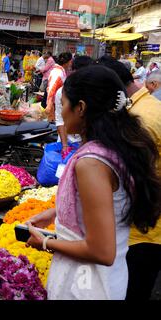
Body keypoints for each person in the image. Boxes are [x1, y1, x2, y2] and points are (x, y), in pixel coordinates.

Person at [27, 65, 161, 300]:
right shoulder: (119, 147)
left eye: (64, 104)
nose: (62, 112)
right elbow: (109, 205)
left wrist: (47, 242)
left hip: (87, 286)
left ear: (80, 108)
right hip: (101, 281)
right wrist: (55, 212)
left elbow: (102, 251)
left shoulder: (91, 163)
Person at [98, 57, 161, 300]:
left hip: (144, 232)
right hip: (148, 226)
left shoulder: (140, 119)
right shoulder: (148, 104)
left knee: (133, 291)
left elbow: (131, 178)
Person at [55, 55, 94, 153]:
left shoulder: (93, 93)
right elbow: (60, 120)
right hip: (67, 141)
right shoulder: (62, 92)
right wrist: (65, 146)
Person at [46, 52, 73, 121]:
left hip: (57, 102)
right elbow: (52, 89)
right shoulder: (58, 72)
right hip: (54, 104)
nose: (71, 64)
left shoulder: (59, 71)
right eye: (70, 62)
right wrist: (49, 105)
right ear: (68, 62)